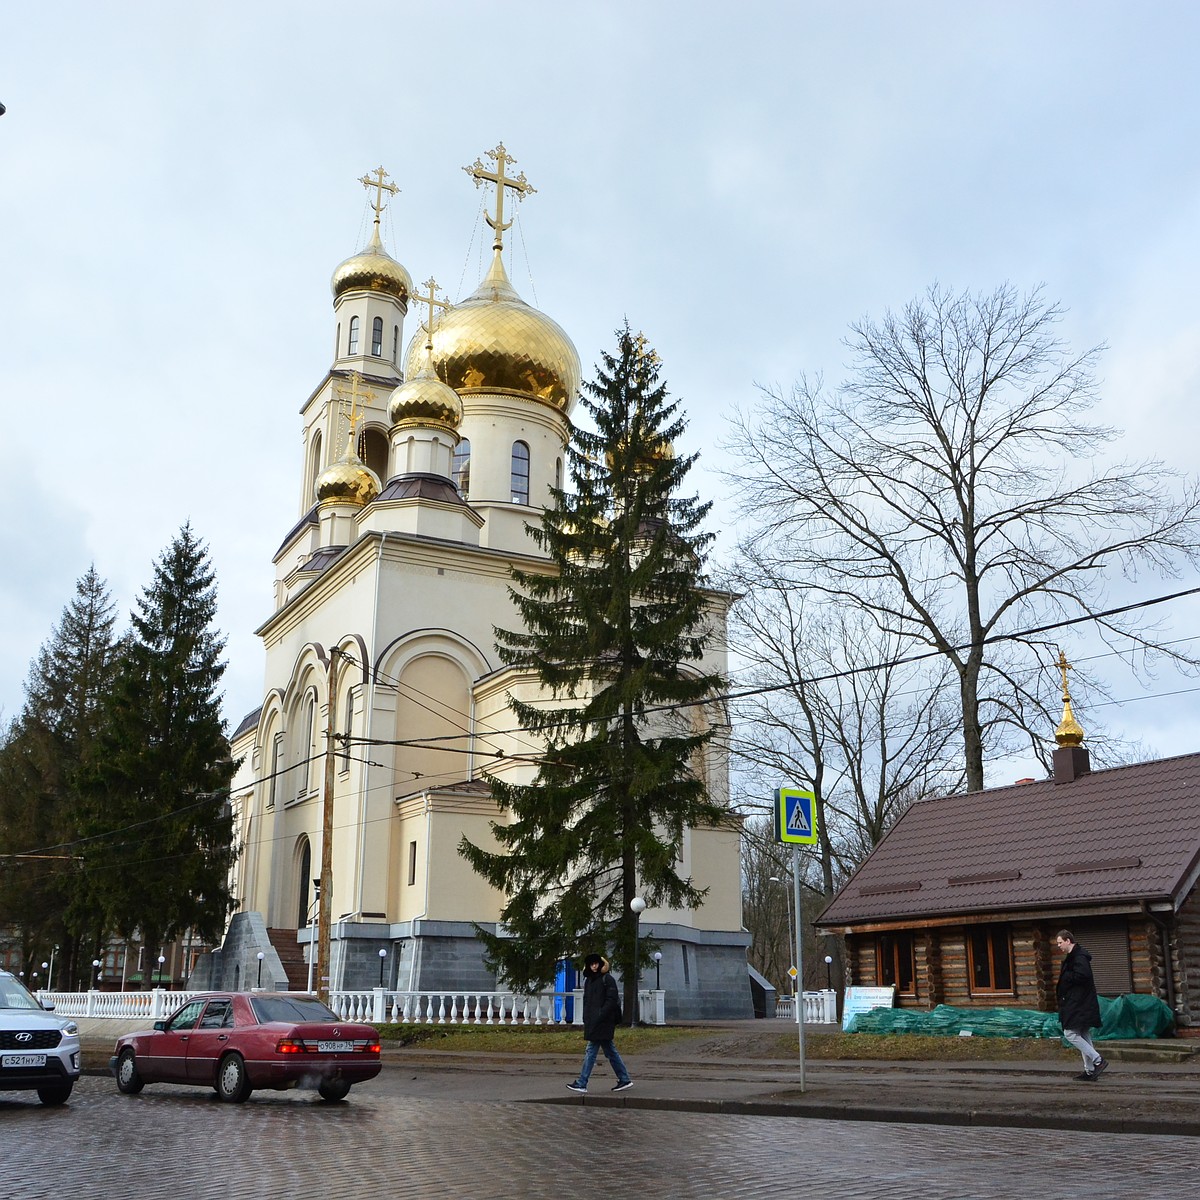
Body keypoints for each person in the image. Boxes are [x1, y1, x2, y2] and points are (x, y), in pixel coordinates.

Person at [566, 953, 633, 1094]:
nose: (594, 966)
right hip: (594, 1021)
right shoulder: (589, 980)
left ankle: (582, 1082)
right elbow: (587, 1002)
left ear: (601, 964)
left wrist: (600, 1015)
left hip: (604, 1022)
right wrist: (587, 1017)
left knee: (591, 1051)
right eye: (592, 964)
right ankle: (624, 1079)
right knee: (610, 1051)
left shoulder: (607, 979)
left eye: (596, 963)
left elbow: (611, 999)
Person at [1055, 929, 1107, 1081]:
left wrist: (1066, 976)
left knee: (1070, 1033)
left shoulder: (1078, 957)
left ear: (1068, 941)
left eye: (1059, 942)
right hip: (1081, 1002)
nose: (1058, 946)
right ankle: (1090, 1071)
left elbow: (1083, 975)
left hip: (1078, 1003)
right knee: (1083, 1034)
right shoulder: (1075, 956)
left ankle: (1098, 1061)